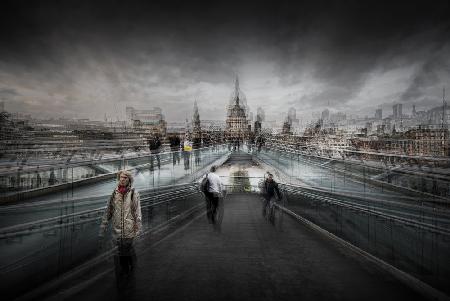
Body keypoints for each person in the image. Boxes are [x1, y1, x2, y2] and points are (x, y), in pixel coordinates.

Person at [99, 170, 142, 287]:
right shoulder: (114, 194)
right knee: (121, 251)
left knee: (125, 251)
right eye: (120, 178)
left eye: (125, 178)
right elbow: (108, 211)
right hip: (117, 229)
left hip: (129, 229)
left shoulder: (133, 193)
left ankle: (127, 271)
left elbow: (138, 212)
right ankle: (128, 268)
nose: (122, 180)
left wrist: (138, 229)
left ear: (129, 180)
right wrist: (103, 227)